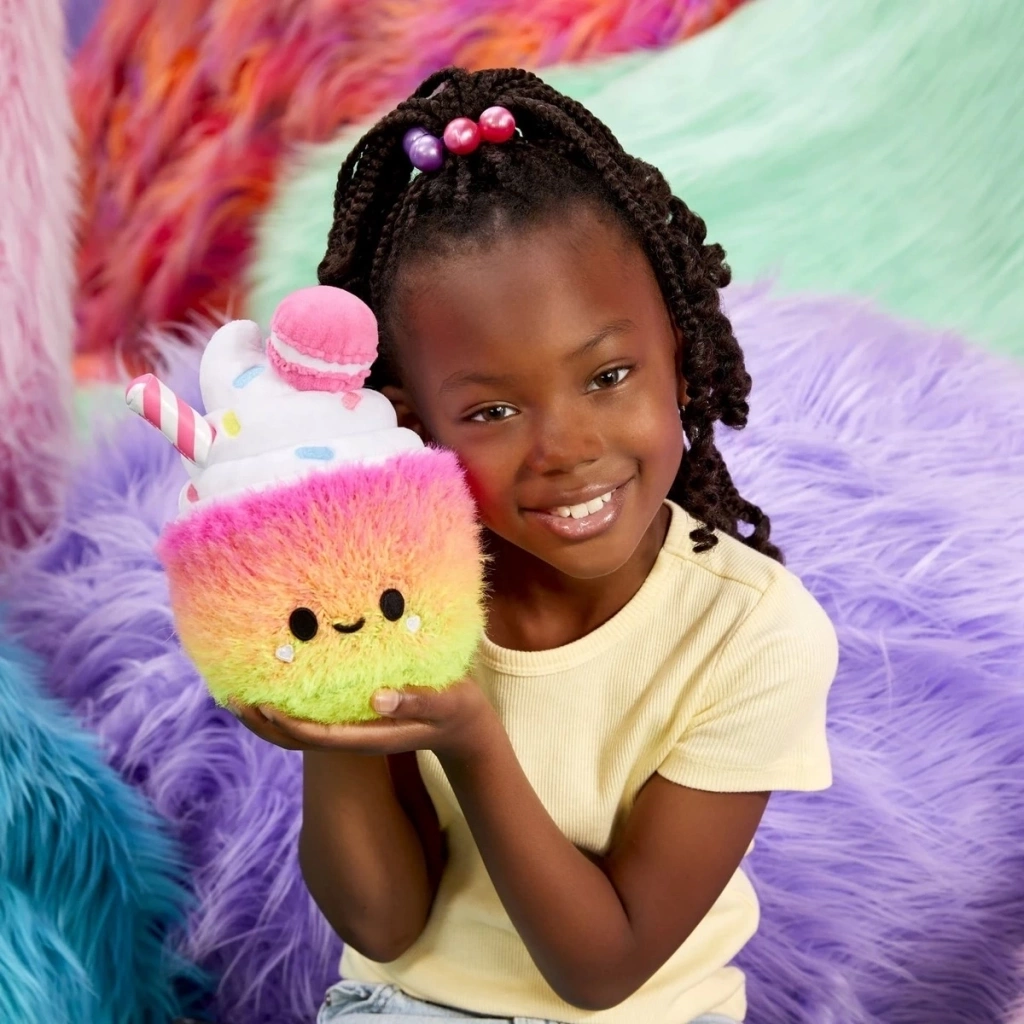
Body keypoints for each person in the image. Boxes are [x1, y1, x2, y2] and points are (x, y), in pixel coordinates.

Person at [229, 66, 838, 1024]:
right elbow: (383, 925)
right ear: (411, 426)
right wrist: (335, 708)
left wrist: (473, 740)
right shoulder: (402, 591)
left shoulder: (752, 634)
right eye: (493, 411)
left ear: (681, 357)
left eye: (609, 375)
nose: (567, 449)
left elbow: (602, 972)